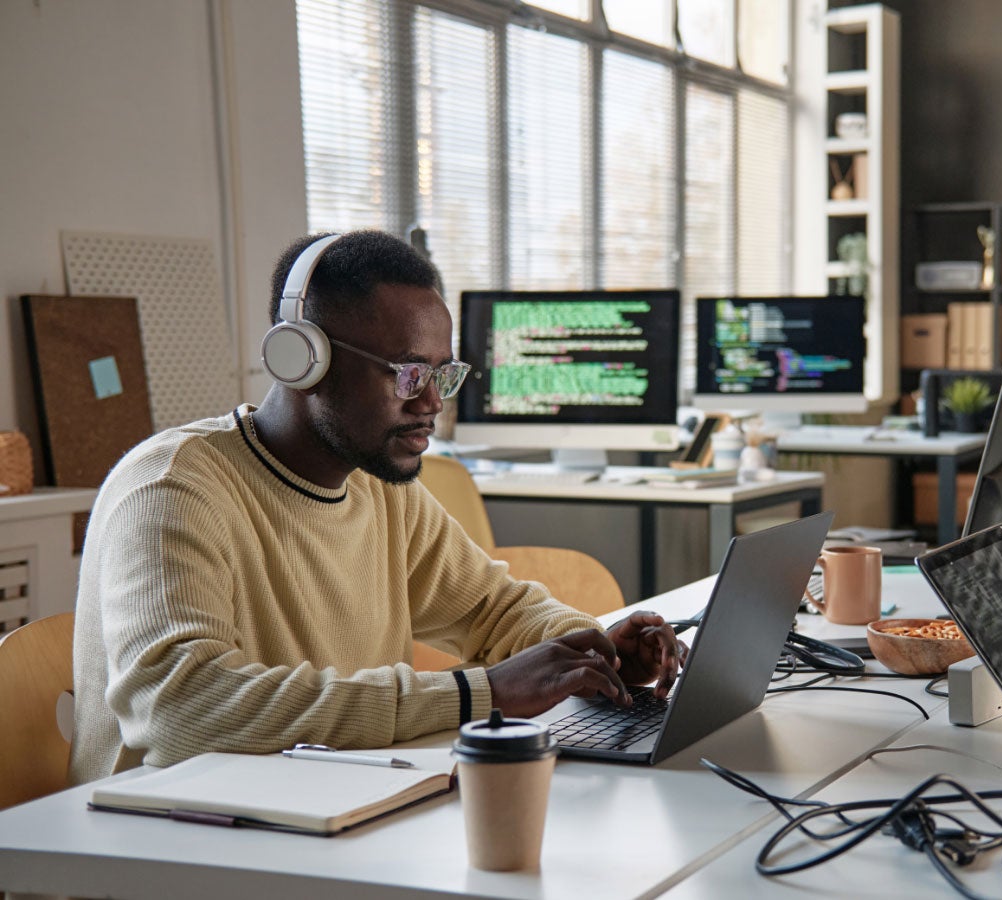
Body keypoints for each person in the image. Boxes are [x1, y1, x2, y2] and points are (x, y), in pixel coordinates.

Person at [69, 230, 685, 785]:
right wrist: (478, 694)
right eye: (409, 373)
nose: (431, 404)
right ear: (302, 358)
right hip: (160, 839)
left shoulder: (382, 489)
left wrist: (592, 653)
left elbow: (495, 611)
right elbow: (179, 708)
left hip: (326, 803)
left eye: (444, 375)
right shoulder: (173, 487)